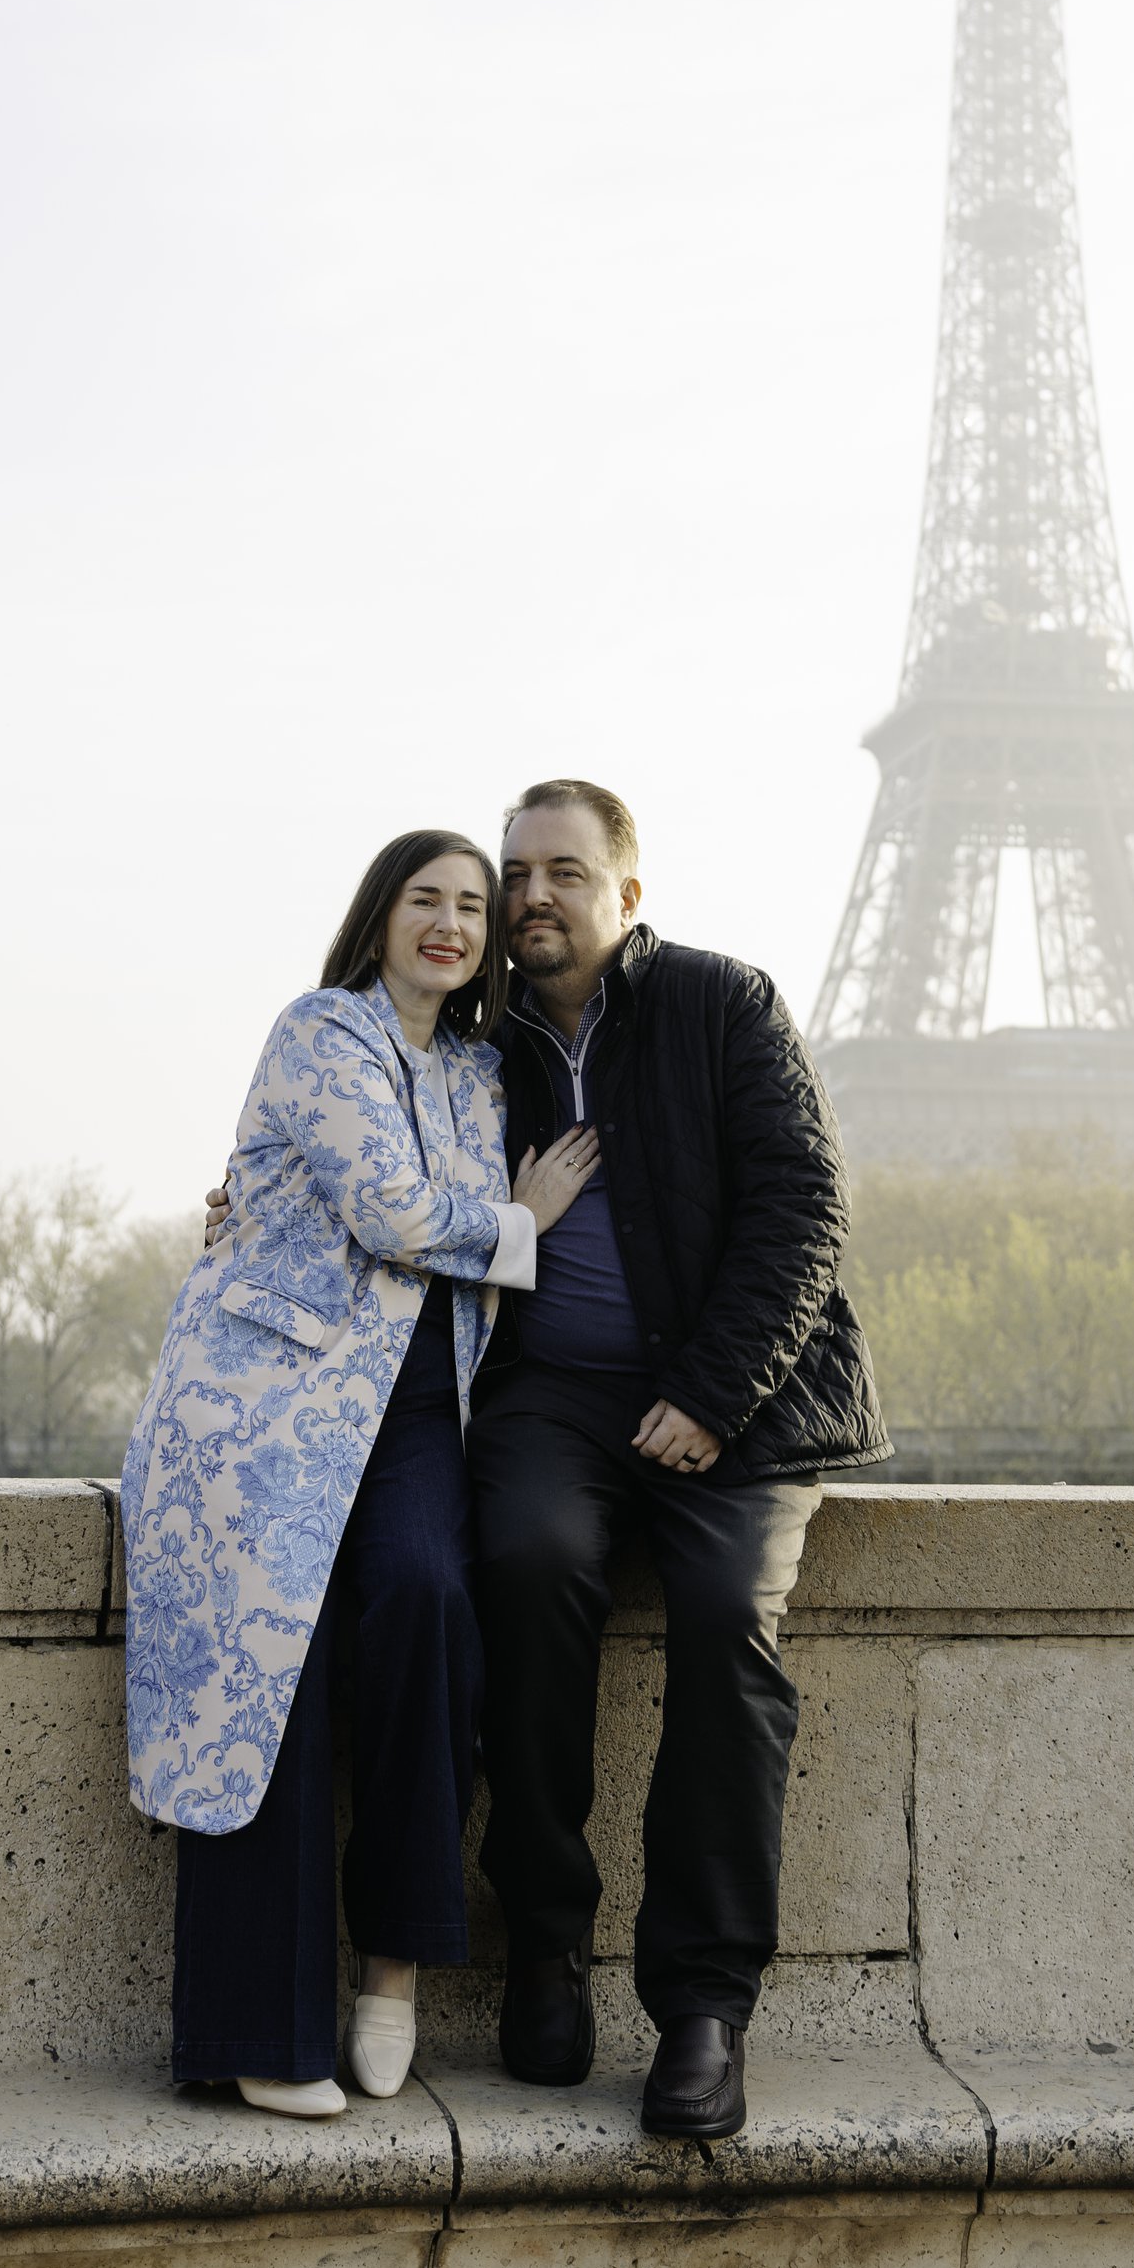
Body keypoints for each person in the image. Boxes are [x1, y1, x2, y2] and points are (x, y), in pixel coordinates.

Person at [208, 778, 890, 2140]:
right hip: (548, 1404)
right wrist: (245, 1206)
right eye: (514, 873)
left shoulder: (722, 1003)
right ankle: (546, 1944)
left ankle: (702, 2010)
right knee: (519, 1569)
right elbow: (367, 1159)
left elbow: (805, 1209)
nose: (529, 898)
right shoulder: (481, 1040)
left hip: (736, 1403)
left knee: (725, 1626)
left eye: (561, 874)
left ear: (627, 894)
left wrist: (710, 1391)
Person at [123, 829, 596, 2120]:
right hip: (268, 1403)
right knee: (268, 1673)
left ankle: (393, 1964)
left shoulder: (482, 1074)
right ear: (379, 916)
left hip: (416, 1410)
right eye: (426, 899)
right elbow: (389, 1210)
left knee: (431, 1604)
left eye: (472, 907)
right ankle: (256, 2038)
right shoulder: (322, 1031)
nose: (452, 923)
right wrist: (522, 1223)